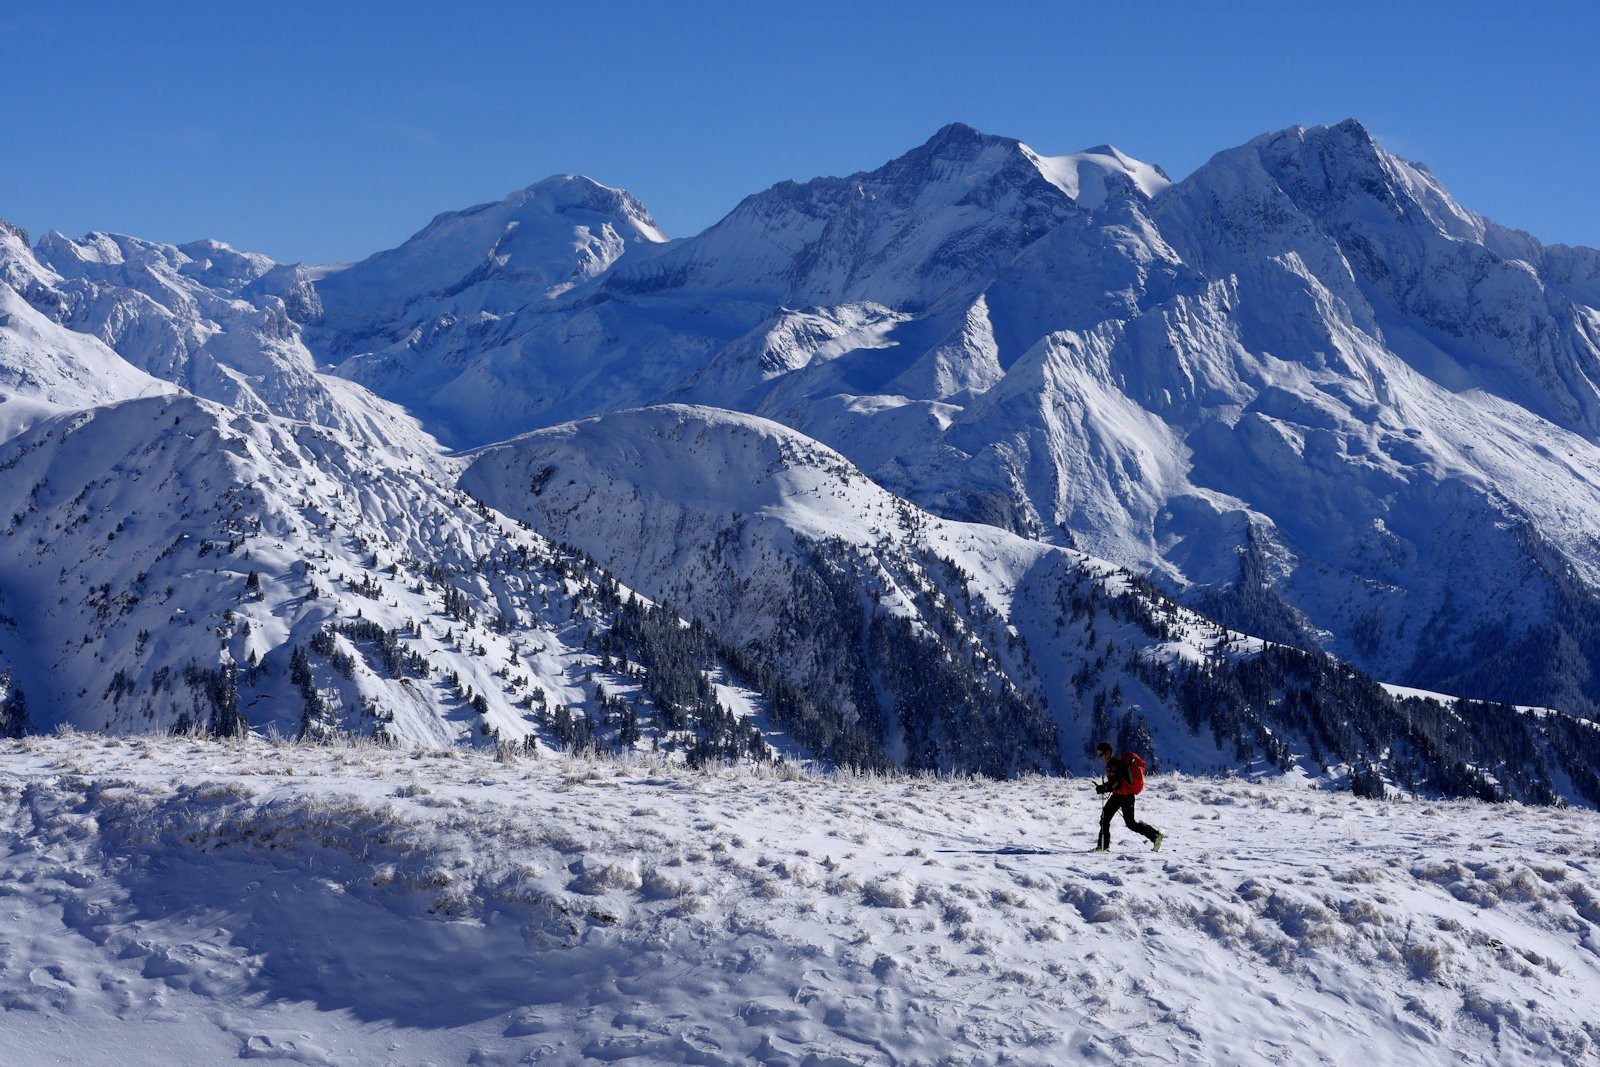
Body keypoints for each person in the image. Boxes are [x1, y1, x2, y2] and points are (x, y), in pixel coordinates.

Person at [1093, 741, 1164, 852]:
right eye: (1098, 753)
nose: (1100, 756)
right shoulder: (1111, 764)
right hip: (1118, 796)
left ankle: (1155, 835)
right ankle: (1103, 846)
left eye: (1101, 753)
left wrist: (1105, 788)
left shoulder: (1117, 763)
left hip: (1126, 797)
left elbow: (1117, 782)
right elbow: (1114, 782)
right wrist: (1105, 787)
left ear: (1108, 752)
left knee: (1130, 824)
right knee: (1104, 818)